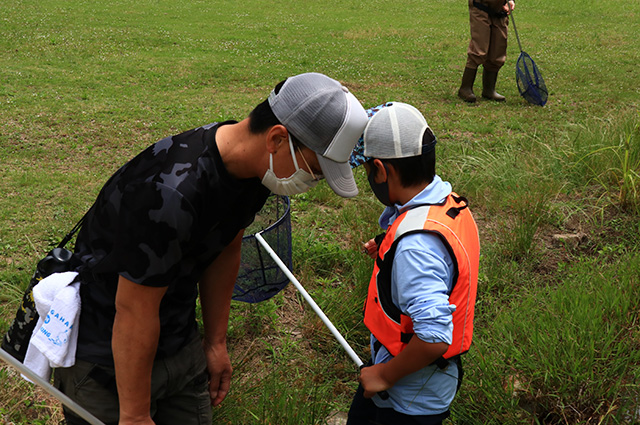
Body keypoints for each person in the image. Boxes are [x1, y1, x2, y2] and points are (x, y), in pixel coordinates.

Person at [53, 72, 368, 425]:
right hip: (109, 356)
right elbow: (133, 310)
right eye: (316, 169)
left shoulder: (253, 170)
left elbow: (227, 248)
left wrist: (216, 342)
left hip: (176, 336)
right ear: (277, 138)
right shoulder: (171, 194)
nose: (314, 182)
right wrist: (135, 414)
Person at [346, 102, 480, 425]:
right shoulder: (442, 201)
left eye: (367, 172)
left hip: (409, 395)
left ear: (380, 170)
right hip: (413, 378)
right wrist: (385, 244)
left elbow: (434, 336)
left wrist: (386, 375)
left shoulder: (415, 249)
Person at [457, 0, 516, 103]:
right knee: (479, 48)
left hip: (500, 10)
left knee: (498, 49)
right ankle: (465, 88)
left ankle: (489, 90)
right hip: (480, 7)